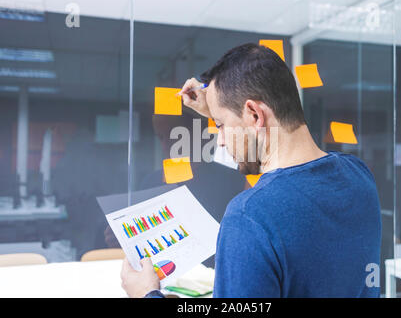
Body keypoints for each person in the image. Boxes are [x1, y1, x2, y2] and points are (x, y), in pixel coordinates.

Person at [120, 43, 382, 298]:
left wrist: (147, 294)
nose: (220, 140)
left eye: (220, 125)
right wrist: (218, 108)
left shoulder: (250, 216)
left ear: (255, 115)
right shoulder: (358, 176)